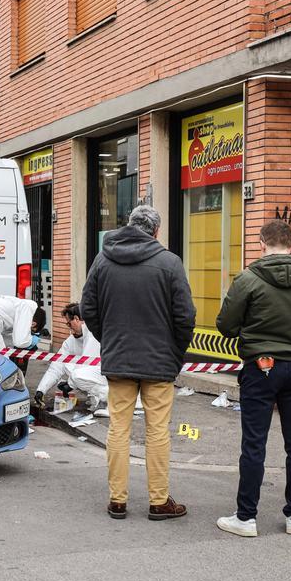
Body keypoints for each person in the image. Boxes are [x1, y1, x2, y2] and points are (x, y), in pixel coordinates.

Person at [215, 220, 291, 538]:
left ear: (260, 243)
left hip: (260, 366)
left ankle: (246, 518)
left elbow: (225, 325)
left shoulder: (248, 279)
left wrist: (253, 332)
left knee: (254, 444)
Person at [81, 204, 196, 521]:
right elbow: (185, 317)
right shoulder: (169, 262)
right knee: (157, 431)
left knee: (118, 428)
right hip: (159, 362)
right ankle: (159, 501)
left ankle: (117, 500)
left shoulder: (103, 259)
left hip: (119, 359)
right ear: (156, 231)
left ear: (128, 225)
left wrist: (110, 339)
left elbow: (87, 308)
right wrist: (175, 353)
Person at [34, 303, 108, 415]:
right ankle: (98, 398)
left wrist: (69, 384)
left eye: (69, 324)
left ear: (77, 319)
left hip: (111, 373)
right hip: (98, 375)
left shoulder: (93, 331)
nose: (69, 328)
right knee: (68, 367)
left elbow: (87, 364)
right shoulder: (70, 341)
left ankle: (108, 400)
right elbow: (56, 366)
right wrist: (41, 390)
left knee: (77, 376)